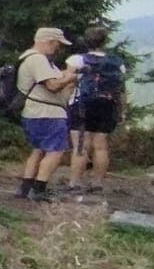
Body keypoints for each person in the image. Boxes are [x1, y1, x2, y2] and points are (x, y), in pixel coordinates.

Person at [14, 26, 79, 202]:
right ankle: (39, 190)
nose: (58, 48)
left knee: (38, 150)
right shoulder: (38, 59)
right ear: (50, 41)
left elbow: (51, 79)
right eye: (58, 44)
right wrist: (71, 78)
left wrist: (65, 75)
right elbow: (52, 85)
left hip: (34, 112)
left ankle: (25, 187)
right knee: (55, 151)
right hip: (47, 113)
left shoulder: (29, 58)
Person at [66, 24, 124, 193]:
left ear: (86, 41)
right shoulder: (117, 63)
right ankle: (97, 183)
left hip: (82, 105)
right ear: (105, 41)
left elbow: (69, 84)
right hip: (107, 105)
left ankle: (75, 182)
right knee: (101, 146)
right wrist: (122, 110)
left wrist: (63, 103)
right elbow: (121, 90)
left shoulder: (76, 60)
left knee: (81, 146)